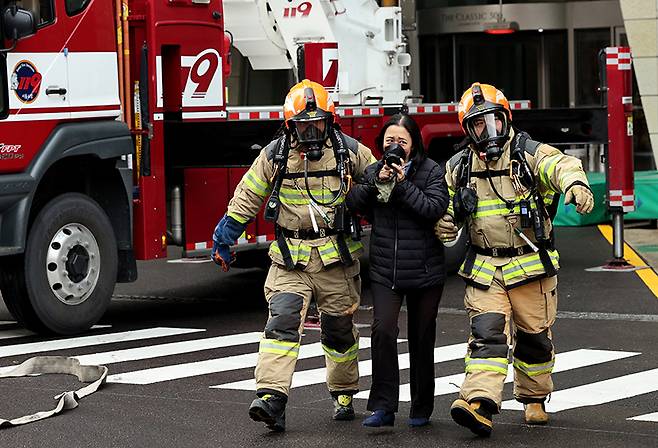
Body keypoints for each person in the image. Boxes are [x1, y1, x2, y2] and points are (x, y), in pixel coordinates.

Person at [211, 79, 375, 432]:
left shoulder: (348, 151)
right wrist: (225, 237)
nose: (311, 131)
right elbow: (248, 196)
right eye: (303, 124)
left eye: (317, 123)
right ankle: (272, 399)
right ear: (290, 125)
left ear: (329, 121)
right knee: (281, 323)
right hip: (290, 259)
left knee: (339, 331)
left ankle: (343, 392)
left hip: (336, 259)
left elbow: (377, 180)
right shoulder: (275, 155)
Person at [436, 83, 594, 437]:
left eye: (492, 120)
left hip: (530, 266)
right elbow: (444, 222)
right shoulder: (458, 167)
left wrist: (576, 185)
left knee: (534, 339)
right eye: (477, 124)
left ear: (505, 119)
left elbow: (560, 164)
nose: (486, 130)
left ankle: (534, 397)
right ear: (467, 129)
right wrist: (448, 220)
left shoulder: (526, 153)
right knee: (486, 335)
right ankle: (479, 403)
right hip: (485, 268)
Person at [346, 114, 449, 428]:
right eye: (389, 141)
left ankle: (421, 408)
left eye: (402, 141)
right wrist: (377, 182)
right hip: (384, 270)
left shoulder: (432, 171)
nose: (395, 146)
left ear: (413, 145)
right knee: (383, 330)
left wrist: (403, 186)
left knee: (421, 337)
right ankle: (383, 406)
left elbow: (434, 208)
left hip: (425, 270)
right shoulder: (375, 170)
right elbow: (353, 203)